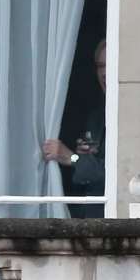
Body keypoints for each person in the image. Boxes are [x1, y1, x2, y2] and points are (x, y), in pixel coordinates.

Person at [43, 39, 106, 218]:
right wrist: (86, 157)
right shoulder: (96, 116)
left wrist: (73, 157)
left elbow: (119, 172)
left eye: (110, 65)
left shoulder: (131, 116)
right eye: (101, 66)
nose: (105, 73)